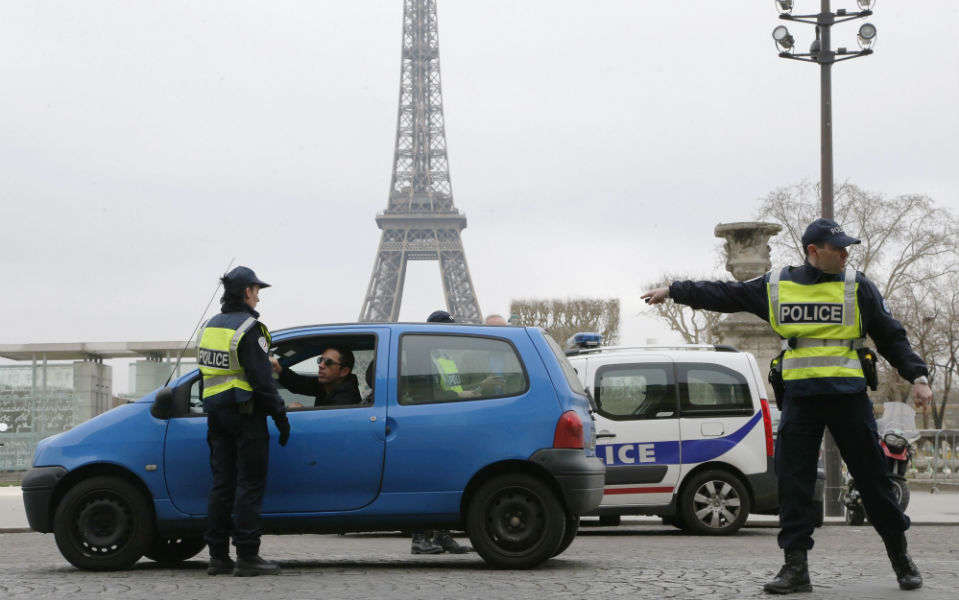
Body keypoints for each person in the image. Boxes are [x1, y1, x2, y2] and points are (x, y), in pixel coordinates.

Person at [642, 218, 931, 594]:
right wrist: (674, 291)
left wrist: (919, 377)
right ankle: (796, 568)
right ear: (813, 251)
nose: (845, 253)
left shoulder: (856, 286)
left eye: (846, 248)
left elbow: (892, 336)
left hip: (848, 399)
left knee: (874, 483)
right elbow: (724, 294)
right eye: (837, 248)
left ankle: (901, 559)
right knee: (794, 487)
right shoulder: (776, 285)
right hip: (800, 401)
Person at [196, 266, 291, 577]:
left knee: (221, 485)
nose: (259, 297)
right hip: (245, 416)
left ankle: (218, 556)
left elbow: (204, 375)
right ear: (247, 292)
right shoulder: (250, 328)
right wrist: (280, 416)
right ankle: (248, 555)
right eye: (257, 291)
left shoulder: (210, 327)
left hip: (216, 416)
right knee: (249, 484)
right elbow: (262, 380)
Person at [408, 310, 474, 555]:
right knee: (425, 480)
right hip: (428, 424)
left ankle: (442, 535)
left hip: (446, 422)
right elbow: (426, 391)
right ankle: (419, 537)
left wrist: (472, 392)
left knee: (443, 481)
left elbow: (451, 388)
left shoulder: (446, 358)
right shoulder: (422, 358)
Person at [269, 346, 362, 407]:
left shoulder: (345, 402)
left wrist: (301, 413)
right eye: (321, 360)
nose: (321, 365)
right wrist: (279, 370)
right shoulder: (328, 385)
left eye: (328, 362)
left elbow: (325, 428)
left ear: (344, 371)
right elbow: (299, 384)